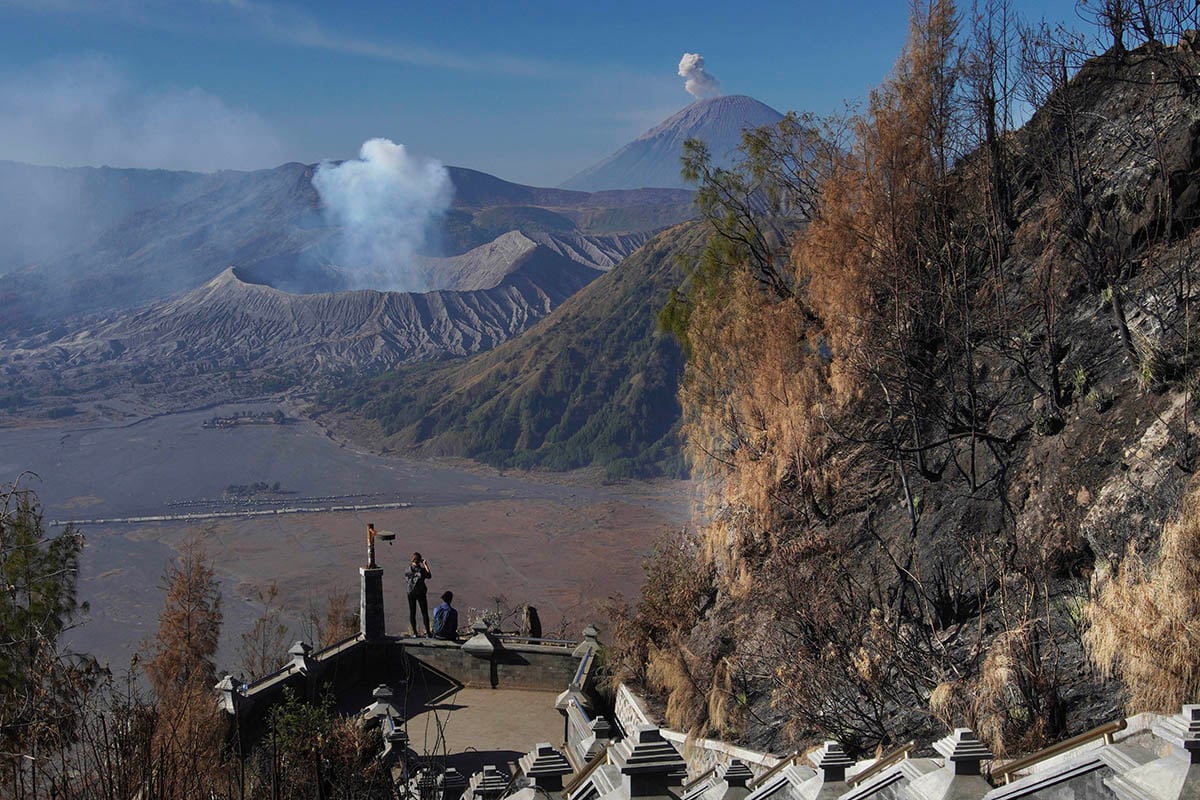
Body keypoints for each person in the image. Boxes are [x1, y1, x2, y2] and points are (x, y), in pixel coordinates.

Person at [404, 552, 432, 636]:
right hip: (420, 593)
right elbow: (429, 576)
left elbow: (406, 580)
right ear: (419, 560)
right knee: (424, 612)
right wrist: (425, 565)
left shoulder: (408, 570)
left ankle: (415, 633)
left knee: (412, 612)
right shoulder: (422, 571)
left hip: (410, 592)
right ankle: (428, 632)